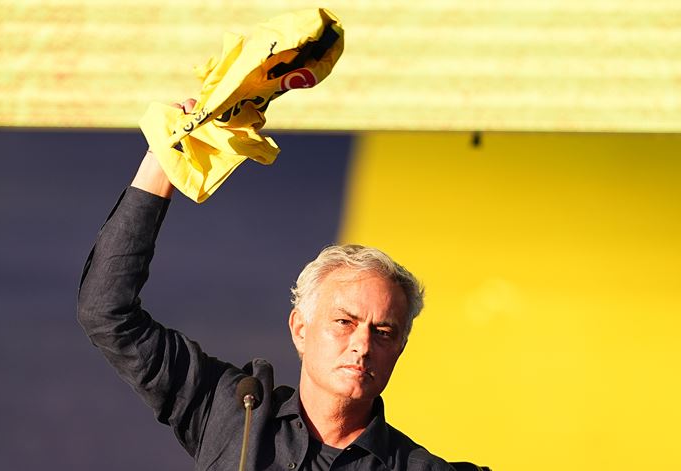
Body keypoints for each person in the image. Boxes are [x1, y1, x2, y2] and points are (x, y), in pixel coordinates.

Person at [77, 100, 453, 470]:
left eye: (384, 332)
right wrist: (163, 160)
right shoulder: (232, 412)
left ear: (401, 348)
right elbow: (106, 313)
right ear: (300, 329)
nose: (362, 345)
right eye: (344, 322)